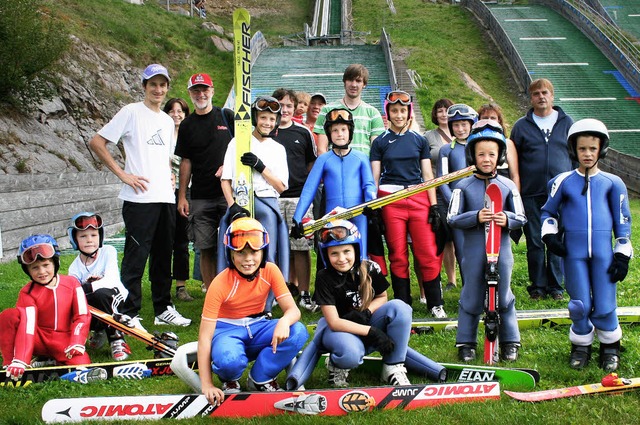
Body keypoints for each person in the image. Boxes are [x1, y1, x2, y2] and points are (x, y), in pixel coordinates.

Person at [89, 63, 191, 329]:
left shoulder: (168, 121)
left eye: (162, 85)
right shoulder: (131, 112)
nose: (158, 89)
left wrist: (169, 174)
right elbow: (97, 142)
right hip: (138, 199)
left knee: (163, 255)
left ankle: (163, 308)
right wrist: (123, 174)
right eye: (153, 84)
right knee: (136, 257)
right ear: (144, 86)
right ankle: (129, 311)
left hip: (165, 198)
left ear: (167, 87)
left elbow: (165, 156)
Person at [286, 220, 446, 389]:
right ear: (326, 255)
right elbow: (334, 322)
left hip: (364, 321)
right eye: (334, 253)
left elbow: (382, 296)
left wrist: (368, 312)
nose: (341, 259)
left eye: (346, 251)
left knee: (400, 308)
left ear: (356, 249)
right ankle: (336, 364)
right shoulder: (324, 277)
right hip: (337, 331)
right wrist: (372, 332)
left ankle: (393, 367)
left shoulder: (369, 267)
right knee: (351, 354)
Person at [541, 119, 631, 372]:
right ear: (574, 150)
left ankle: (610, 347)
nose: (588, 154)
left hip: (603, 255)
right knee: (579, 305)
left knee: (604, 305)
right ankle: (581, 346)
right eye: (582, 149)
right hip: (573, 254)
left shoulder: (613, 183)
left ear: (601, 149)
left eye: (593, 148)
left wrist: (622, 254)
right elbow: (548, 212)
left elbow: (622, 221)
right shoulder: (563, 181)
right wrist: (550, 236)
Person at [197, 218, 308, 402]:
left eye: (254, 252)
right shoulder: (220, 283)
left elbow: (293, 311)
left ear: (263, 252)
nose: (248, 259)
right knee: (229, 360)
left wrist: (284, 321)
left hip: (258, 326)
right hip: (226, 331)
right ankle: (229, 378)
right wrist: (207, 384)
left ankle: (260, 378)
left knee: (298, 331)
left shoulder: (271, 271)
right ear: (230, 255)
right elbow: (205, 338)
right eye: (240, 253)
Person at [447, 120, 526, 362]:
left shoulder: (507, 185)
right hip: (473, 251)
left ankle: (510, 341)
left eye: (492, 154)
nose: (486, 159)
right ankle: (466, 343)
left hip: (500, 250)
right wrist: (475, 216)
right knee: (471, 295)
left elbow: (521, 216)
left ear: (500, 155)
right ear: (472, 155)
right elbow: (452, 217)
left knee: (503, 296)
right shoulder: (463, 186)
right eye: (481, 154)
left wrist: (507, 219)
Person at [370, 91, 445, 317]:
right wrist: (375, 207)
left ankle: (435, 303)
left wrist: (434, 206)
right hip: (391, 200)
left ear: (408, 112)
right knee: (398, 254)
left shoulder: (418, 140)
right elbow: (374, 177)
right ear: (388, 113)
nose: (399, 115)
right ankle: (403, 304)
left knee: (427, 252)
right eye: (394, 111)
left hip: (418, 197)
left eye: (403, 111)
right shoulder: (380, 142)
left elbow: (427, 173)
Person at [219, 95, 290, 313]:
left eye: (271, 119)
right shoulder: (237, 143)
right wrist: (232, 206)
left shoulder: (278, 149)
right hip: (242, 203)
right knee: (237, 251)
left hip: (267, 204)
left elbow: (281, 186)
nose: (267, 123)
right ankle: (235, 301)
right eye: (263, 118)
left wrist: (261, 167)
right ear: (255, 119)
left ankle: (265, 305)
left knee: (265, 256)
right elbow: (226, 180)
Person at [511, 78, 574, 301]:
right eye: (536, 93)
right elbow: (513, 159)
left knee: (556, 240)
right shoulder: (521, 126)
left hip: (560, 194)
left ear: (552, 95)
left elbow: (575, 157)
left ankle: (557, 286)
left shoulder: (567, 123)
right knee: (535, 242)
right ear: (531, 98)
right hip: (531, 193)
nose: (541, 97)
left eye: (545, 92)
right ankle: (537, 285)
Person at [0, 235, 91, 381]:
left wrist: (77, 341)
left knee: (81, 365)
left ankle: (50, 360)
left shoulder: (72, 283)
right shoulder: (27, 292)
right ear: (27, 270)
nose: (41, 272)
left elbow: (82, 315)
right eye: (35, 268)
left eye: (46, 265)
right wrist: (20, 359)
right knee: (9, 315)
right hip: (38, 338)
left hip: (64, 340)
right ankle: (11, 363)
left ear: (55, 263)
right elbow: (27, 326)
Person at [292, 108, 377, 262]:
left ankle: (363, 284)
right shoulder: (324, 159)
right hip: (332, 215)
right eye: (335, 130)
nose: (340, 133)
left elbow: (369, 185)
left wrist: (372, 204)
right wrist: (297, 218)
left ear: (350, 132)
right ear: (329, 134)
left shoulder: (361, 158)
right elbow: (309, 189)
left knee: (361, 256)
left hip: (359, 213)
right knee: (332, 257)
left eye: (344, 129)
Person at [175, 73, 234, 292]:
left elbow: (243, 147)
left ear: (212, 91)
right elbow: (186, 161)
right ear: (190, 93)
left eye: (205, 90)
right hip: (200, 195)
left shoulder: (226, 116)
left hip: (229, 194)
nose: (201, 94)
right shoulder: (187, 125)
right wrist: (182, 196)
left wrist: (228, 167)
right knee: (205, 246)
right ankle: (212, 292)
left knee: (235, 243)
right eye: (196, 91)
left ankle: (234, 289)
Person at [271, 88, 318, 311]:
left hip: (298, 198)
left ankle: (305, 294)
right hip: (271, 198)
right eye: (281, 105)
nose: (286, 110)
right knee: (275, 248)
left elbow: (311, 163)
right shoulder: (265, 131)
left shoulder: (303, 132)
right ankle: (277, 292)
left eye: (290, 106)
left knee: (301, 247)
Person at [67, 212, 132, 361]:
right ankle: (98, 330)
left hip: (115, 298)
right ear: (75, 240)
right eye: (83, 236)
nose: (89, 240)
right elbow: (74, 292)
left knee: (101, 294)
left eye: (93, 235)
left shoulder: (108, 251)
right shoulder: (74, 267)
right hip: (94, 304)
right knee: (76, 303)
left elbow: (111, 279)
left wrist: (87, 287)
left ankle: (117, 339)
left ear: (100, 237)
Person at [437, 103, 478, 288]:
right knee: (461, 248)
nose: (460, 129)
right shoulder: (446, 150)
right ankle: (468, 288)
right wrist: (453, 203)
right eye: (456, 125)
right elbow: (442, 180)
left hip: (479, 205)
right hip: (457, 208)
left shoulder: (479, 146)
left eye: (464, 124)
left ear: (471, 124)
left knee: (482, 248)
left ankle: (486, 286)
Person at [314, 64, 385, 156]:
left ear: (364, 84)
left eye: (358, 81)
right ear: (344, 82)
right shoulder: (327, 110)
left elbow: (376, 151)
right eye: (350, 80)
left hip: (363, 167)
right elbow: (321, 149)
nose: (354, 84)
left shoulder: (373, 113)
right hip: (336, 167)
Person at [424, 98, 457, 293]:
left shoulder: (462, 131)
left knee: (463, 235)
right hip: (438, 190)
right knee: (446, 238)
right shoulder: (429, 136)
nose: (443, 113)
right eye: (440, 110)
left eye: (447, 110)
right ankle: (451, 279)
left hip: (461, 188)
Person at [164, 97, 194, 302]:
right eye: (172, 111)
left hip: (186, 191)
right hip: (164, 191)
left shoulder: (190, 135)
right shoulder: (162, 135)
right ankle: (162, 283)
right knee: (164, 240)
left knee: (182, 240)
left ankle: (181, 285)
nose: (176, 114)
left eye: (180, 111)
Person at [477, 103, 520, 191]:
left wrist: (515, 199)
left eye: (493, 118)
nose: (489, 121)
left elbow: (514, 175)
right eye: (485, 118)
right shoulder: (473, 144)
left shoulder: (507, 143)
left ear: (499, 121)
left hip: (503, 192)